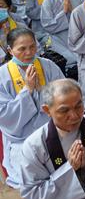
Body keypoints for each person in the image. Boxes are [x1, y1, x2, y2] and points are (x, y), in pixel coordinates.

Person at [0, 29, 64, 188]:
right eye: (22, 49)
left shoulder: (48, 66)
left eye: (32, 47)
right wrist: (27, 91)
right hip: (21, 139)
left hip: (53, 133)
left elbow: (65, 93)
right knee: (33, 180)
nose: (28, 53)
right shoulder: (2, 75)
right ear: (10, 50)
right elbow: (5, 116)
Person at [41, 0, 84, 72]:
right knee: (70, 60)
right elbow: (48, 26)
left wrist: (72, 10)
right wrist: (64, 12)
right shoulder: (48, 2)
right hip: (58, 41)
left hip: (79, 38)